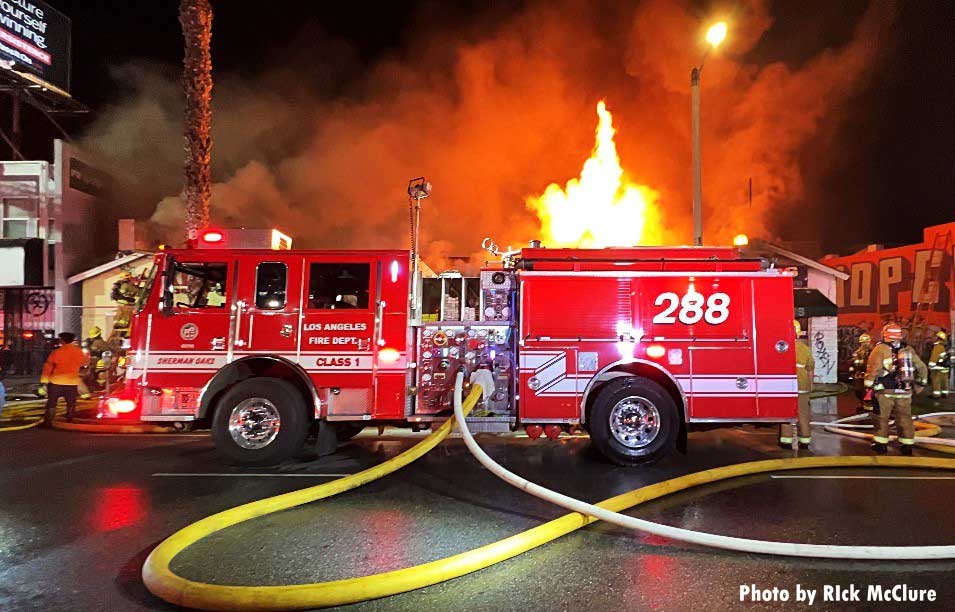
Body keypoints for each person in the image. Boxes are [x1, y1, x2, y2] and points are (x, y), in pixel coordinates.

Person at [864, 323, 928, 455]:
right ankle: (907, 445)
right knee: (905, 417)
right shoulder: (908, 349)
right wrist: (921, 384)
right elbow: (922, 367)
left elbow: (873, 368)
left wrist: (868, 384)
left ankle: (881, 444)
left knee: (882, 417)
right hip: (905, 390)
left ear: (885, 334)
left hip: (885, 391)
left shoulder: (880, 349)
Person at [780, 320, 814, 450]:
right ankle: (805, 440)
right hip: (802, 385)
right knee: (803, 413)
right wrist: (810, 385)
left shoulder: (782, 347)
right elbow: (810, 368)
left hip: (786, 385)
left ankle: (786, 441)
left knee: (787, 413)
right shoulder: (805, 349)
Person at [39, 332, 86, 426]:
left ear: (62, 340)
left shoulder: (57, 352)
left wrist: (44, 381)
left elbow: (48, 366)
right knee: (71, 403)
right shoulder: (78, 352)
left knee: (52, 402)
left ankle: (49, 421)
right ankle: (70, 420)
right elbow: (84, 363)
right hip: (72, 382)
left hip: (56, 381)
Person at [848, 332, 872, 411]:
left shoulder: (873, 352)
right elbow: (853, 364)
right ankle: (861, 402)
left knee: (868, 390)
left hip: (869, 374)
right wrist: (851, 373)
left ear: (869, 342)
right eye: (863, 343)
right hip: (859, 375)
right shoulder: (857, 353)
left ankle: (868, 405)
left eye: (866, 342)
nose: (865, 344)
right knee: (858, 390)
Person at [928, 330, 950, 400]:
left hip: (937, 366)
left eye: (934, 336)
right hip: (945, 366)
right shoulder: (944, 346)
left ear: (937, 338)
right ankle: (944, 393)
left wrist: (930, 366)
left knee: (936, 380)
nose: (933, 338)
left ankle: (936, 395)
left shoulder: (937, 346)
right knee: (944, 380)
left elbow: (934, 357)